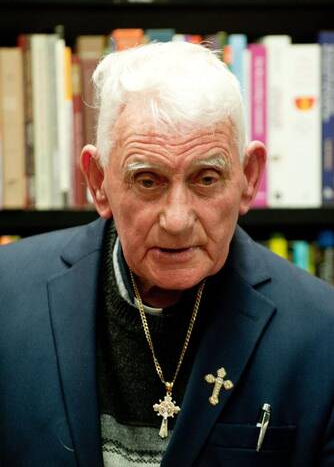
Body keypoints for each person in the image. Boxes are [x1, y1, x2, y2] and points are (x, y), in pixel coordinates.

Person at [1, 41, 334, 467]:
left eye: (207, 178)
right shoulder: (5, 297)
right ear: (99, 181)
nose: (177, 220)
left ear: (248, 178)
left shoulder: (321, 333)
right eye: (147, 180)